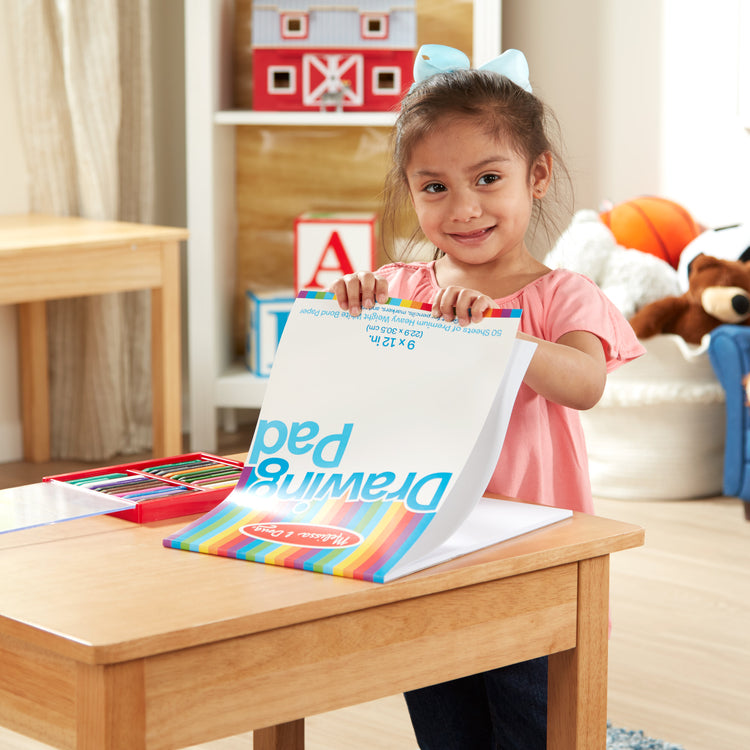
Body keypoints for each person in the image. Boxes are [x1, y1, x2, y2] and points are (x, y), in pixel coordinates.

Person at [329, 44, 645, 750]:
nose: (464, 208)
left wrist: (500, 337)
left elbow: (586, 383)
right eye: (434, 187)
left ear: (537, 176)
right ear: (409, 190)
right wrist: (351, 311)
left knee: (534, 727)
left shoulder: (563, 294)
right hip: (422, 551)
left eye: (488, 178)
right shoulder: (403, 287)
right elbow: (352, 390)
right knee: (446, 728)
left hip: (529, 564)